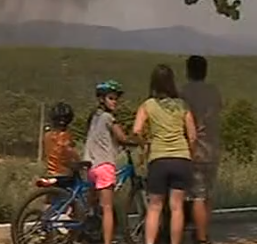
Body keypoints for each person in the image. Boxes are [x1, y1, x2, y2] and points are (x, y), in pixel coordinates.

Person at [133, 65, 198, 244]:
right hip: (181, 159)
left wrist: (145, 144)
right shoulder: (182, 105)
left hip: (158, 159)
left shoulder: (147, 105)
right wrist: (190, 155)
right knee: (177, 207)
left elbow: (136, 130)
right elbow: (192, 136)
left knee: (155, 207)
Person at [84, 80, 140, 244]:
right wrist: (139, 142)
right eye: (111, 98)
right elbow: (122, 137)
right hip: (104, 165)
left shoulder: (94, 117)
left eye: (115, 99)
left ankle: (90, 231)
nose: (114, 101)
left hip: (90, 165)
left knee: (94, 204)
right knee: (107, 208)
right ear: (102, 99)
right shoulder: (109, 118)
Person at [179, 55, 222, 244]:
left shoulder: (183, 93)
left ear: (188, 71)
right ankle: (205, 230)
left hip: (194, 149)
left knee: (197, 195)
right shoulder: (214, 91)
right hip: (212, 148)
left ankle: (200, 236)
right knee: (208, 194)